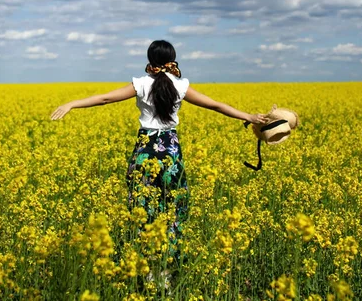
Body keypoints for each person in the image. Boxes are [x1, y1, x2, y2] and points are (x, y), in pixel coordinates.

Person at [50, 40, 268, 262]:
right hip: (170, 149)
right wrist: (249, 117)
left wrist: (72, 104)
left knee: (142, 203)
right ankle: (168, 262)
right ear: (172, 59)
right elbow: (215, 105)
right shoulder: (180, 85)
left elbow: (104, 99)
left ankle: (146, 261)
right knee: (171, 203)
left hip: (146, 148)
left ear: (149, 59)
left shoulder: (141, 83)